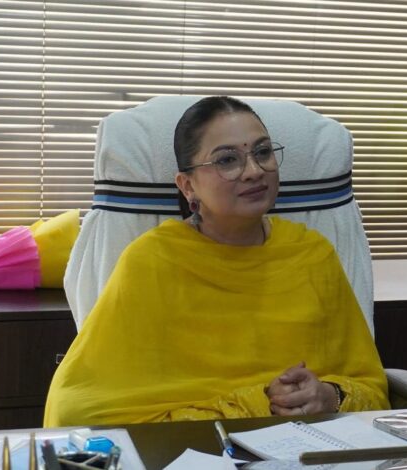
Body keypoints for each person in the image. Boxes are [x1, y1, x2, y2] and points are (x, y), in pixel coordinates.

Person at [44, 96, 389, 426]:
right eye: (227, 160)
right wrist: (259, 403)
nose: (254, 171)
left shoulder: (312, 254)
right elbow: (77, 409)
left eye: (263, 152)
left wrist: (330, 396)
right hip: (194, 449)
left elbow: (371, 388)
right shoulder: (152, 261)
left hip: (309, 445)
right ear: (188, 186)